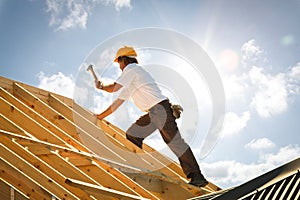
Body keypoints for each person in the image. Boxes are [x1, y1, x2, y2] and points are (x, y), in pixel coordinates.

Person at [95, 46, 208, 187]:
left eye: (119, 62)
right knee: (133, 134)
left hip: (160, 109)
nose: (119, 67)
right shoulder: (131, 79)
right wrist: (100, 116)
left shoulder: (132, 69)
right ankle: (138, 166)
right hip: (154, 112)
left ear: (124, 59)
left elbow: (114, 88)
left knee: (174, 142)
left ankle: (197, 176)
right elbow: (117, 103)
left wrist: (101, 87)